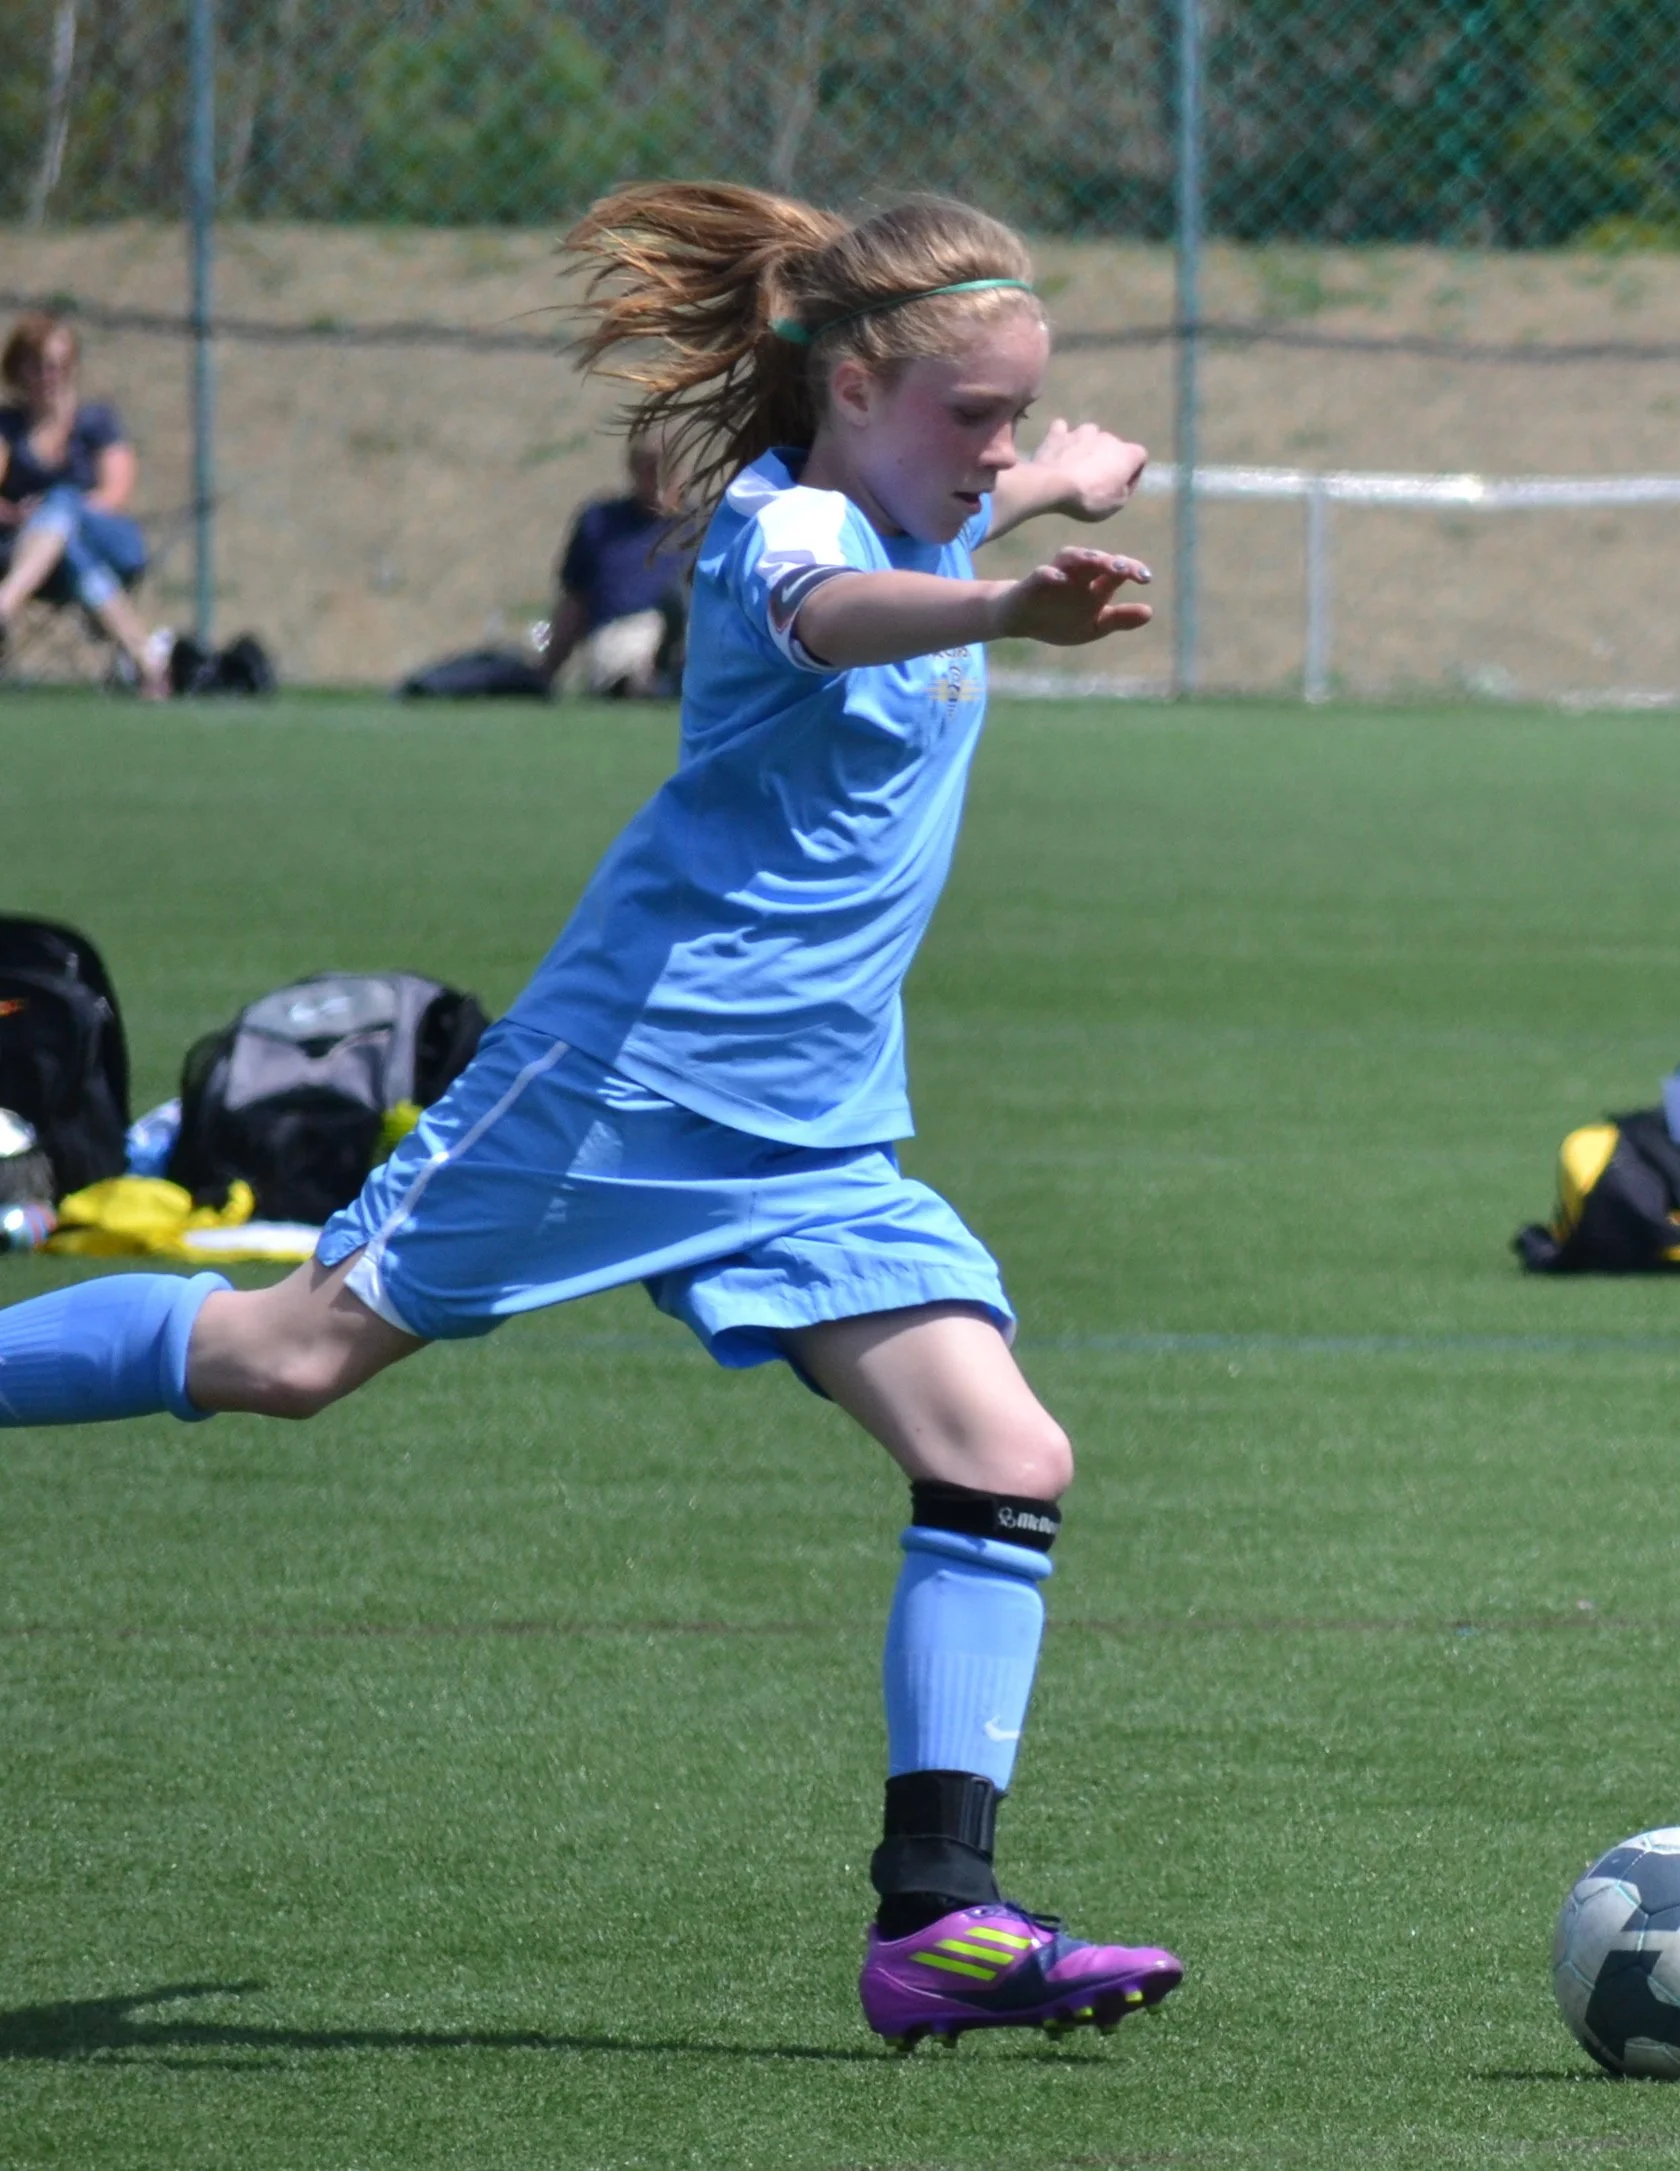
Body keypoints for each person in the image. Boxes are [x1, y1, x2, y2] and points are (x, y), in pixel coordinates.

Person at [0, 183, 1182, 2048]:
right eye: (975, 414)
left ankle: (931, 1924)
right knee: (294, 1355)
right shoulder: (777, 531)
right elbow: (836, 603)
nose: (1000, 446)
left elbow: (950, 509)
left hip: (811, 1142)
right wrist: (1007, 596)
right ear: (853, 383)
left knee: (1003, 1454)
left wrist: (1049, 484)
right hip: (621, 1088)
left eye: (1018, 413)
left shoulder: (924, 491)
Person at [0, 311, 167, 697]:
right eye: (39, 365)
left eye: (60, 365)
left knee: (63, 501)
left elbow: (113, 494)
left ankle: (4, 605)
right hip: (45, 563)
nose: (50, 375)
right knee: (69, 548)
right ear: (19, 369)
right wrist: (19, 516)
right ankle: (145, 659)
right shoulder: (8, 427)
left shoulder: (96, 421)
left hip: (110, 540)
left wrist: (49, 513)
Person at [541, 434, 692, 697]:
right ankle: (646, 685)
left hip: (687, 637)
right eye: (648, 467)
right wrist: (546, 672)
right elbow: (575, 603)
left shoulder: (702, 528)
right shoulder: (601, 523)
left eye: (665, 466)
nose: (656, 476)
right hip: (621, 636)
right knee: (632, 651)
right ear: (632, 468)